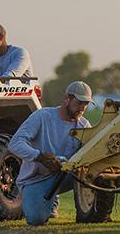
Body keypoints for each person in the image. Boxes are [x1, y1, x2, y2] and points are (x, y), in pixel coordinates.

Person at [8, 81, 93, 226]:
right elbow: (15, 144)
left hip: (66, 176)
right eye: (79, 103)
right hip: (36, 178)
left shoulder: (84, 125)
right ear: (67, 99)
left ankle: (88, 213)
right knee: (37, 219)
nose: (82, 108)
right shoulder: (42, 116)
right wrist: (40, 157)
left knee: (94, 174)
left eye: (86, 104)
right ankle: (37, 199)